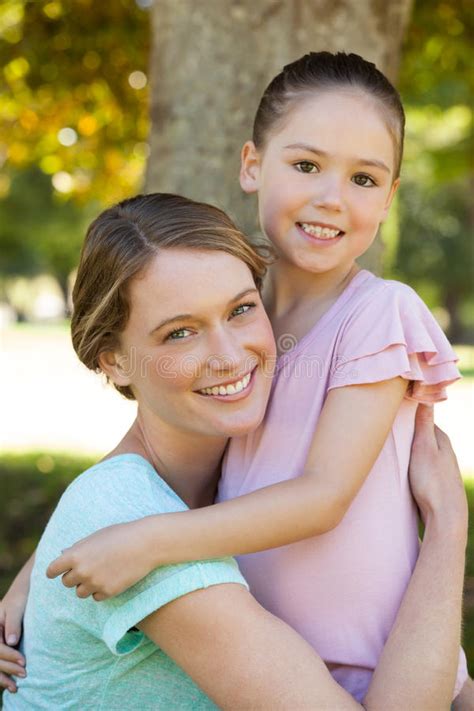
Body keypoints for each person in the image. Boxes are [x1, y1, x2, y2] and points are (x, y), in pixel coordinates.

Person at [37, 52, 472, 703]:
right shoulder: (245, 325)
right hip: (275, 659)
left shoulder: (377, 313)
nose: (330, 196)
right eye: (305, 165)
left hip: (378, 659)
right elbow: (150, 460)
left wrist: (148, 542)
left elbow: (323, 496)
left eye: (362, 178)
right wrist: (38, 576)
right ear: (251, 165)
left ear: (389, 198)